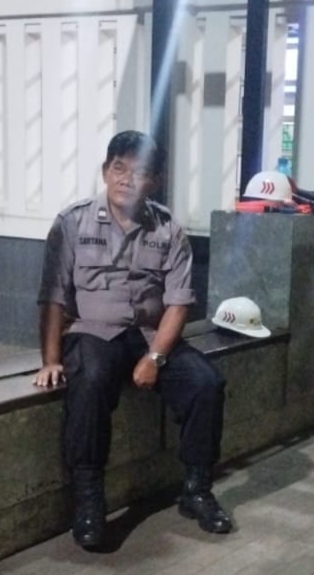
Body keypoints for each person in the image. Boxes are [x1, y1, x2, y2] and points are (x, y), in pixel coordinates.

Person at [34, 130, 232, 549]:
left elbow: (178, 303)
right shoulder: (72, 223)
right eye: (118, 168)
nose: (126, 179)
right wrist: (50, 359)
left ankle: (196, 489)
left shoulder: (169, 229)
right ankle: (89, 500)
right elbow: (53, 297)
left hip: (149, 334)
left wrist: (155, 357)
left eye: (138, 172)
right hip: (93, 332)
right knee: (89, 380)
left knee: (205, 383)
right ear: (105, 172)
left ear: (155, 181)